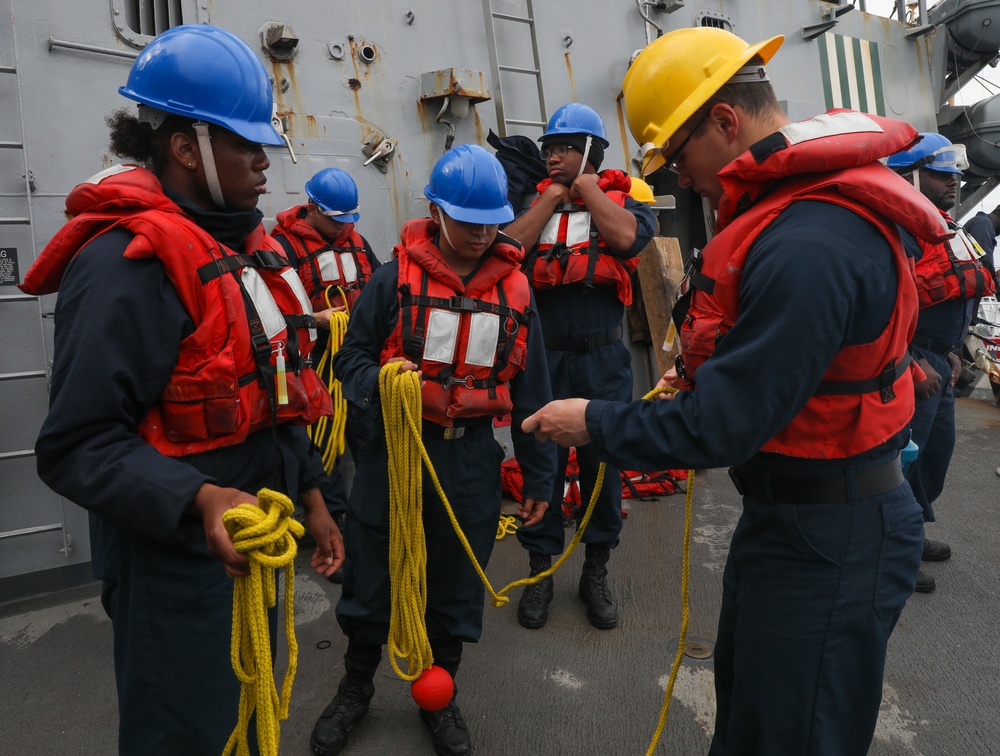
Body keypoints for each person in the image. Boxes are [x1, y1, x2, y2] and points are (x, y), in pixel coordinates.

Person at [523, 27, 950, 755]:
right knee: (753, 718)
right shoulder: (796, 217)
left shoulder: (807, 241)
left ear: (725, 121)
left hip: (831, 537)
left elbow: (721, 426)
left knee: (794, 733)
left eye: (678, 156)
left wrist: (595, 421)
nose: (680, 179)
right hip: (790, 519)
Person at [18, 25, 344, 754]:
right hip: (173, 568)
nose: (265, 161)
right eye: (244, 143)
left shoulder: (241, 250)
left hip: (256, 538)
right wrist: (199, 500)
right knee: (188, 732)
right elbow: (75, 446)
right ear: (185, 147)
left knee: (251, 715)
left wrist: (314, 496)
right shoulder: (121, 267)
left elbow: (274, 393)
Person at [309, 143, 557, 756]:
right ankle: (356, 685)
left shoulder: (518, 293)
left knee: (454, 582)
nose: (479, 233)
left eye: (490, 221)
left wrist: (541, 481)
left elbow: (534, 396)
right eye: (466, 220)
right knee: (370, 574)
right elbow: (351, 358)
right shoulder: (393, 279)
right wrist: (391, 387)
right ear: (435, 212)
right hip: (392, 453)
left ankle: (439, 695)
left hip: (469, 457)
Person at [502, 102, 657, 631]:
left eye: (564, 148)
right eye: (548, 148)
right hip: (543, 360)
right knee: (537, 465)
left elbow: (628, 240)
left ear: (590, 151)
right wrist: (548, 198)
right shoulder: (531, 202)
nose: (552, 156)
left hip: (602, 358)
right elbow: (508, 251)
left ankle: (595, 570)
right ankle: (540, 570)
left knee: (601, 468)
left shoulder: (626, 199)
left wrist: (586, 186)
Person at [887, 133, 996, 593]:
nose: (954, 182)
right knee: (900, 460)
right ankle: (893, 548)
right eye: (941, 175)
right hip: (909, 359)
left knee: (934, 454)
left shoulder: (938, 225)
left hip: (938, 356)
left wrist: (949, 351)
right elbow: (884, 308)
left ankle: (910, 531)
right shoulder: (895, 230)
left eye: (955, 175)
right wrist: (913, 359)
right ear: (911, 176)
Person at [272, 167, 382, 581]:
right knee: (323, 449)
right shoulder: (281, 246)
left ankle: (367, 527)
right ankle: (333, 534)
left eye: (348, 219)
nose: (343, 227)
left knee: (366, 439)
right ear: (313, 209)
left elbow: (380, 293)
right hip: (312, 363)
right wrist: (313, 319)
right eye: (336, 219)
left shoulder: (356, 242)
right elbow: (266, 312)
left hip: (355, 362)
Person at [963, 202, 1000, 292]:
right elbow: (984, 259)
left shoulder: (981, 222)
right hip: (965, 283)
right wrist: (997, 288)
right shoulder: (983, 224)